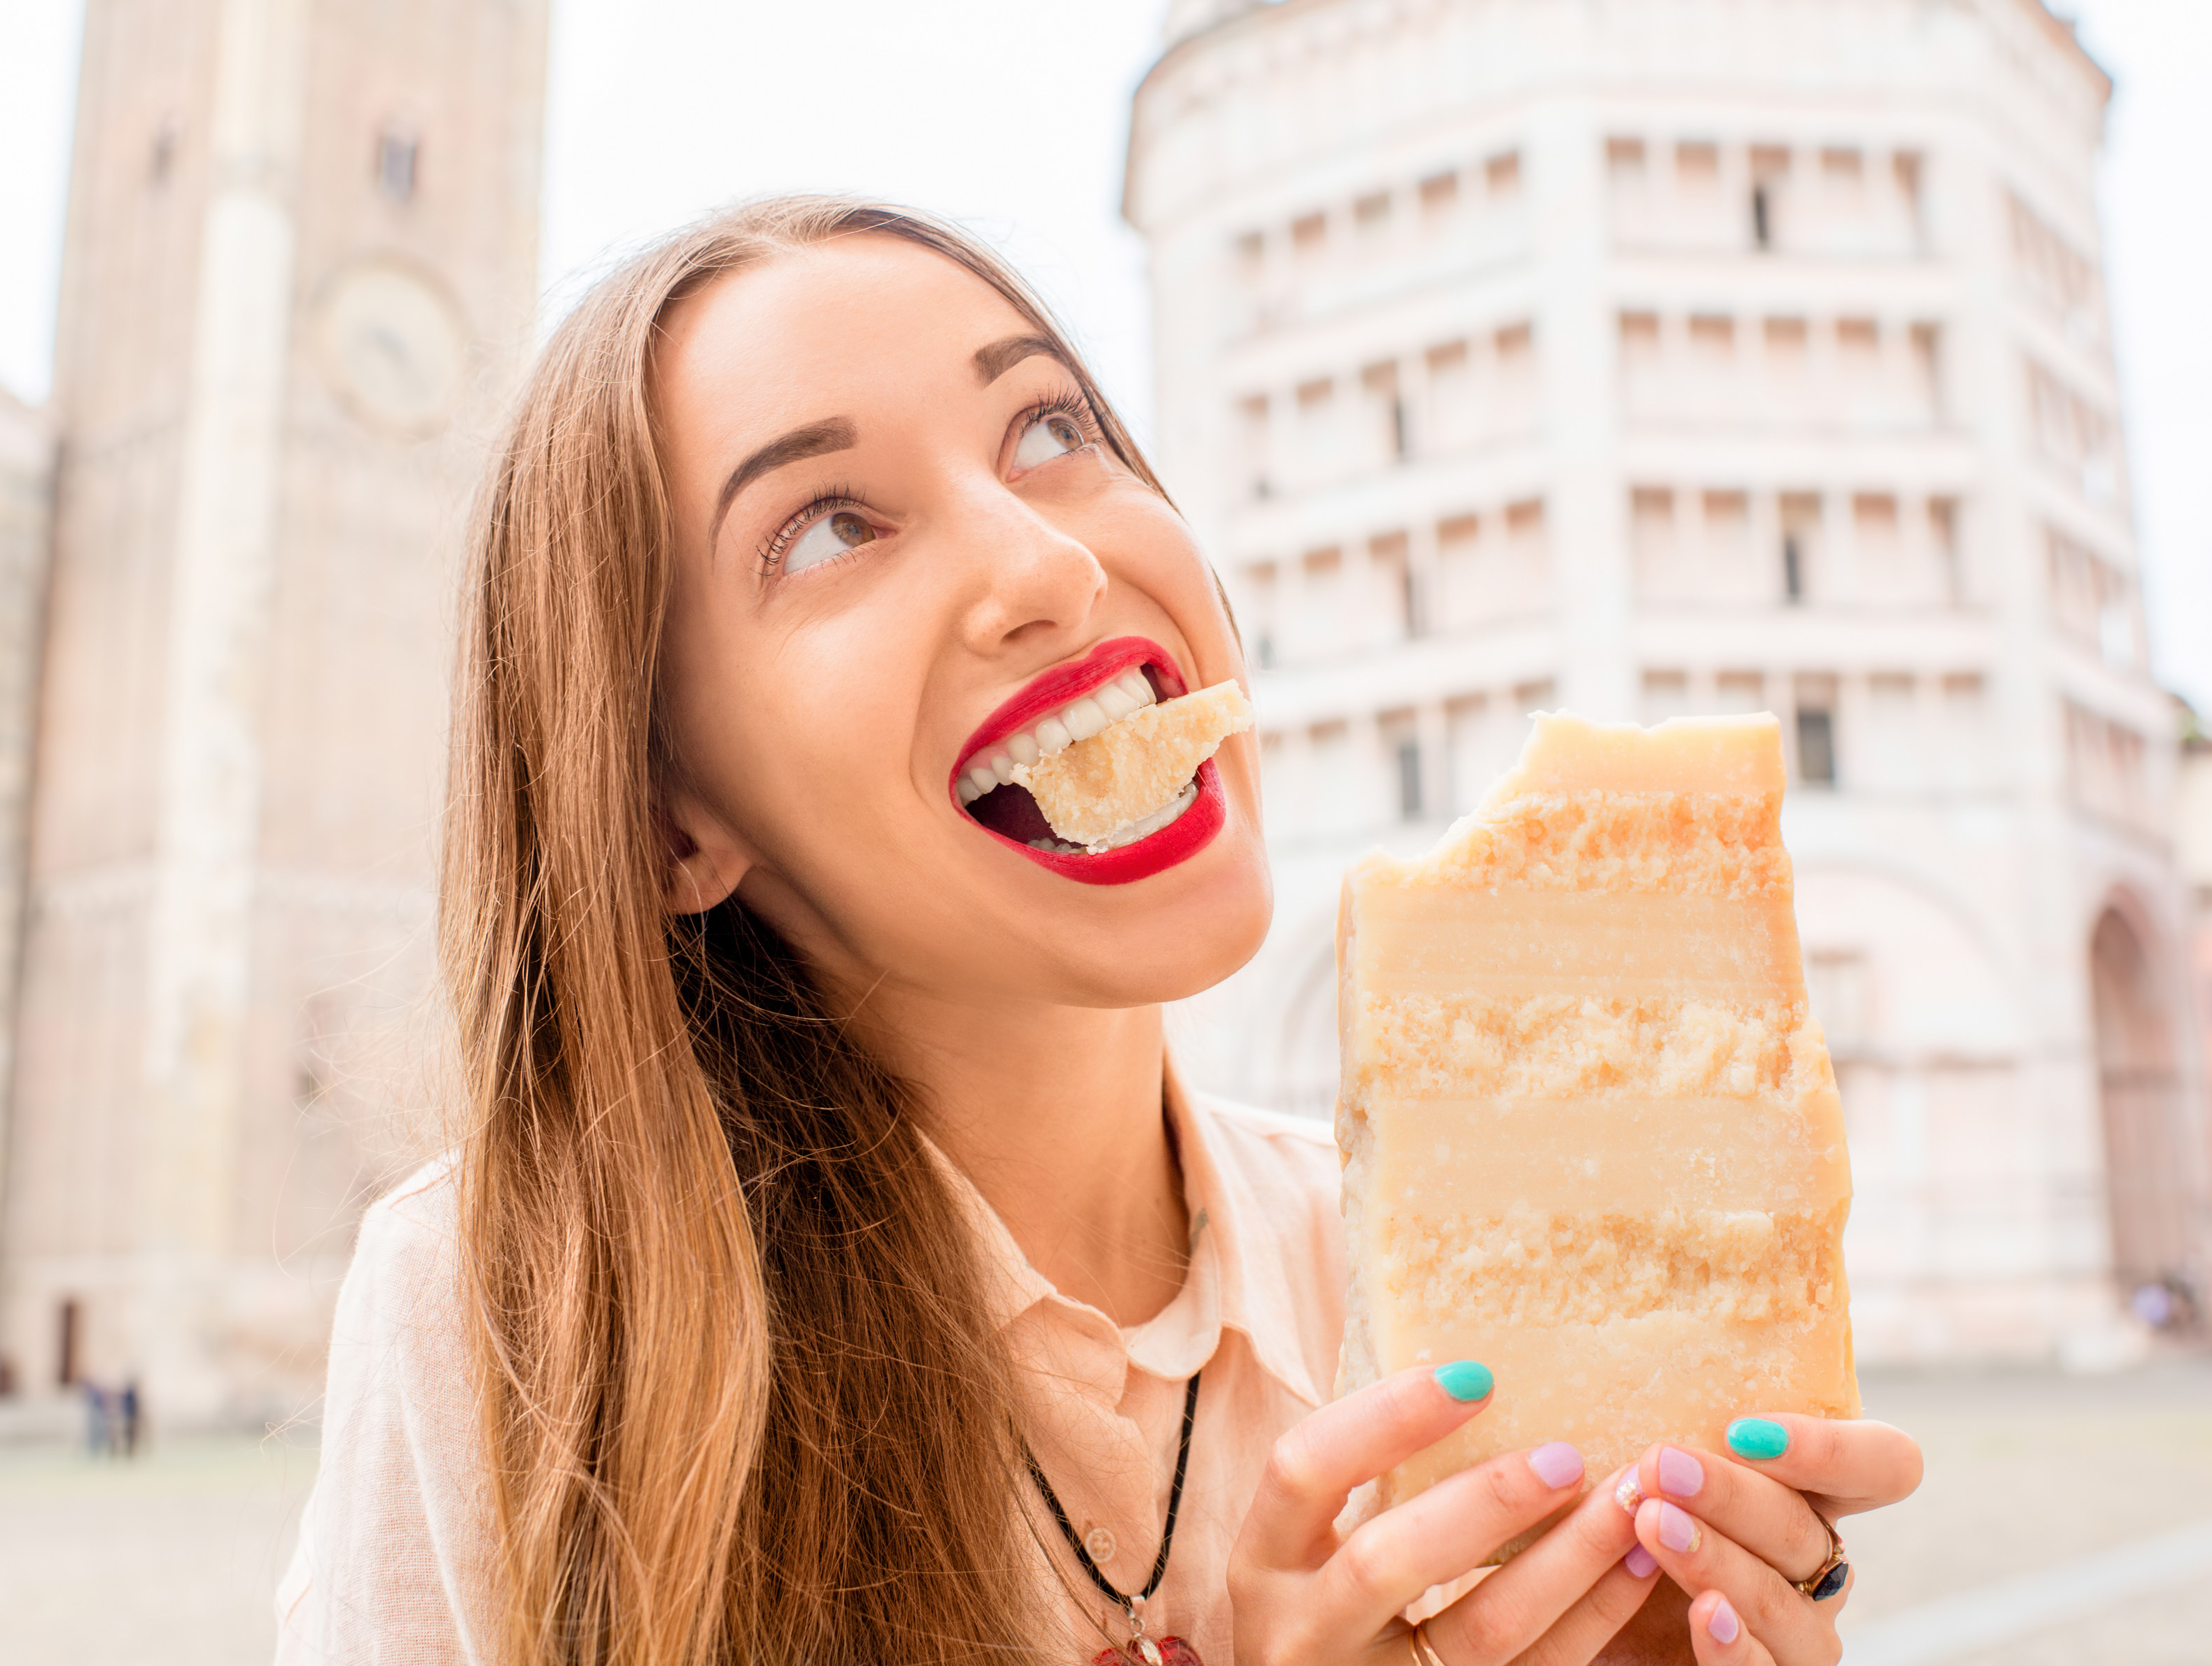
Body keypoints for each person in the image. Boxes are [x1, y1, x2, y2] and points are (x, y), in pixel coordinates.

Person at [273, 198, 1920, 1666]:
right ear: (671, 820)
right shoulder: (515, 1317)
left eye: (1050, 427)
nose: (1049, 561)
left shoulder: (1416, 1276)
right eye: (832, 526)